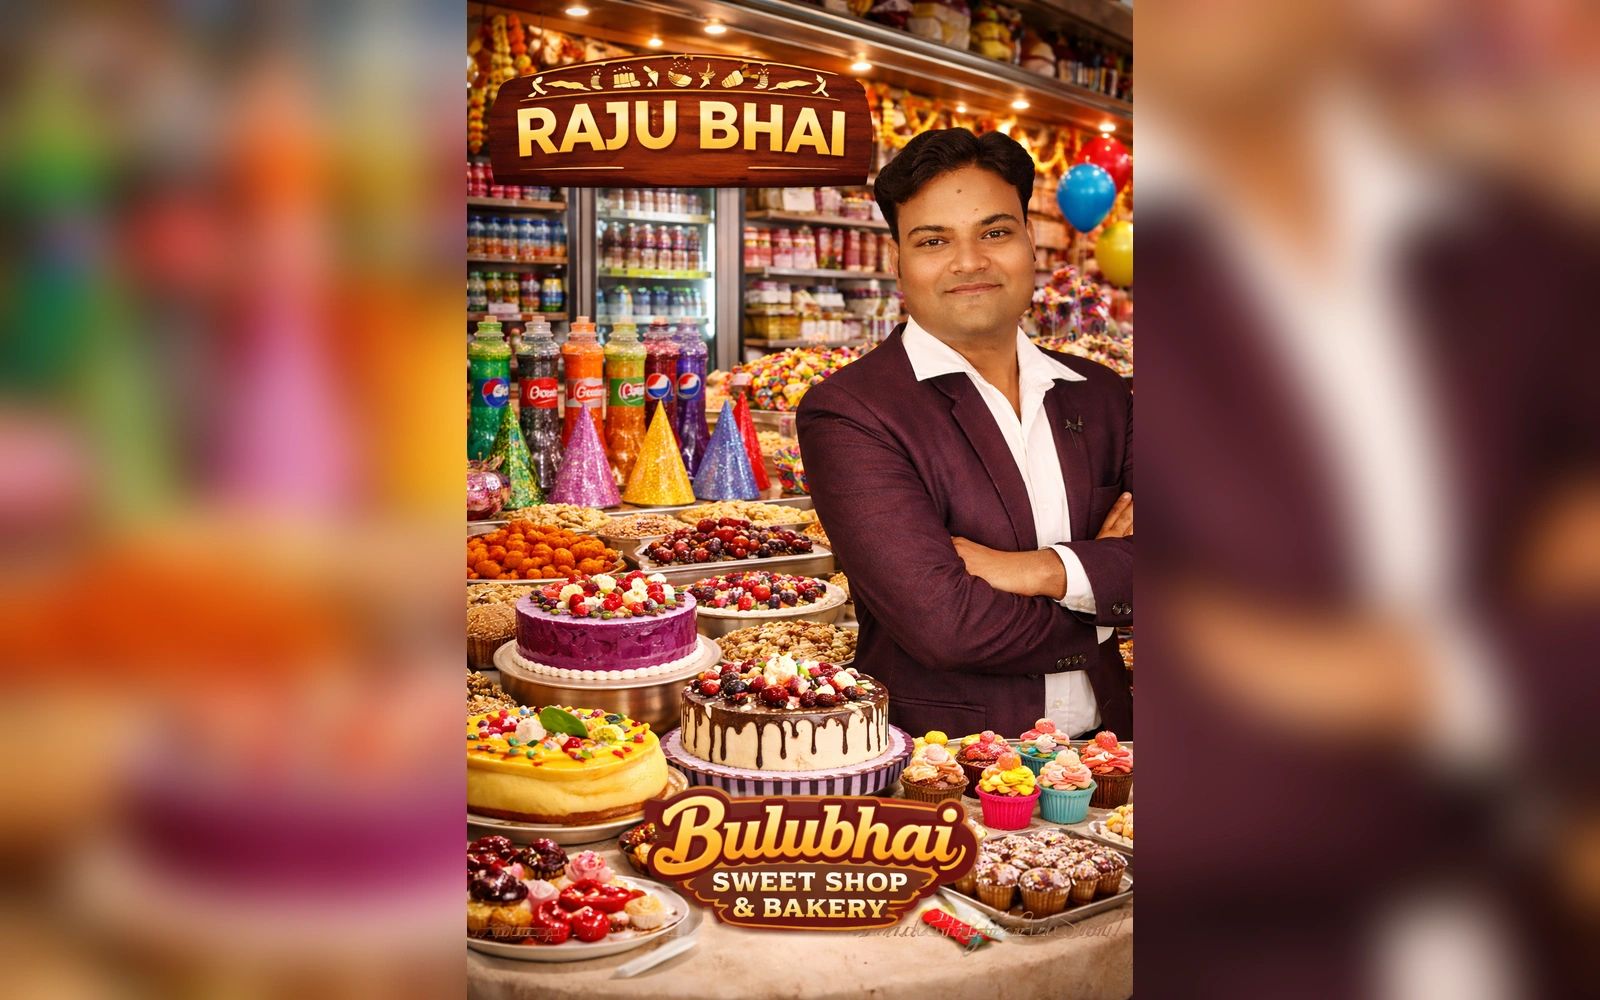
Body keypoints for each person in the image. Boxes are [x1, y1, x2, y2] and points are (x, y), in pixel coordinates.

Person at [796, 128, 1133, 740]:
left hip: (1119, 755)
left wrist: (1039, 571)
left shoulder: (1104, 393)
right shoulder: (851, 411)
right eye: (933, 241)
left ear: (1032, 242)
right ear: (897, 262)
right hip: (945, 773)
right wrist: (1111, 602)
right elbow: (944, 624)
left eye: (995, 232)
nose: (970, 261)